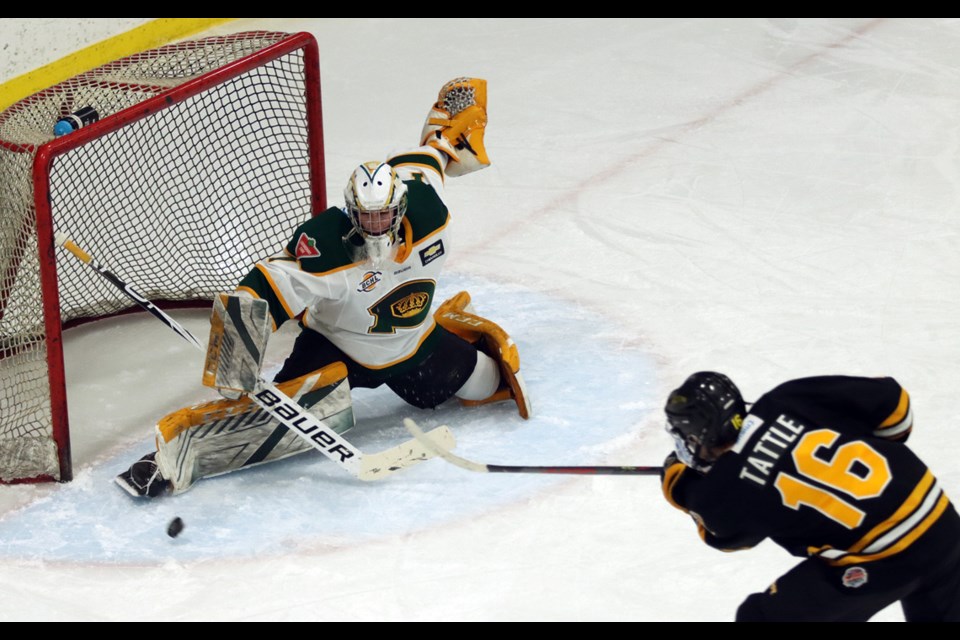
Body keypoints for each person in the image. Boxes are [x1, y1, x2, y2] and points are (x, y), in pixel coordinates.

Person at [116, 77, 531, 498]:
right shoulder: (328, 247)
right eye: (365, 217)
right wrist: (236, 353)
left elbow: (429, 158)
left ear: (400, 206)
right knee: (270, 428)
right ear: (350, 211)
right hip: (337, 350)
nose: (375, 226)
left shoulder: (429, 213)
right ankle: (167, 463)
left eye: (384, 216)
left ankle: (457, 329)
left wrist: (451, 123)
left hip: (414, 345)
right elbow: (270, 283)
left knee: (487, 383)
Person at [660, 371, 960, 622]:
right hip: (943, 524)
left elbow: (723, 532)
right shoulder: (786, 399)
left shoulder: (732, 484)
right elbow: (897, 407)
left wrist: (676, 480)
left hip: (883, 563)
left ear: (699, 436)